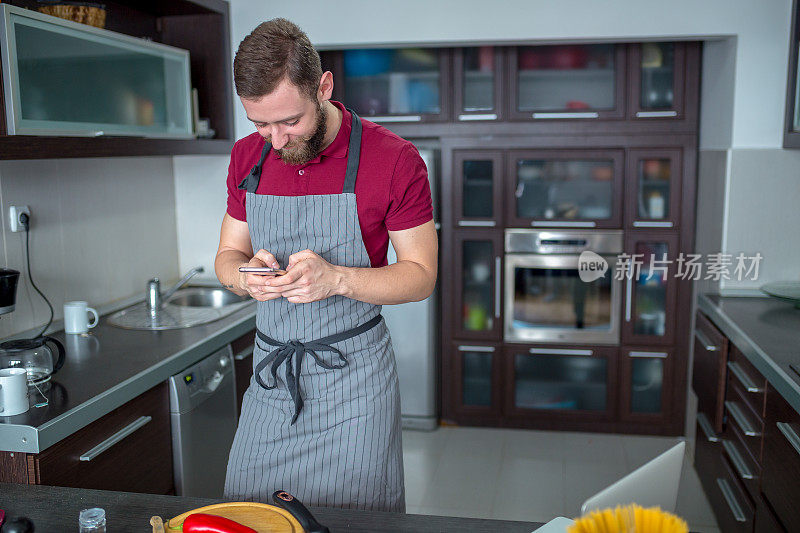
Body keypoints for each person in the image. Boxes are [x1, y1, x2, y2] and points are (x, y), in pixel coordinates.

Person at [214, 18, 437, 513]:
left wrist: (337, 278)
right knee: (249, 512)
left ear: (324, 87)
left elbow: (421, 275)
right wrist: (247, 278)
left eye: (289, 121)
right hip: (272, 379)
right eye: (259, 124)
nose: (274, 140)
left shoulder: (395, 160)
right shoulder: (246, 158)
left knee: (353, 517)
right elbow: (227, 259)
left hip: (353, 382)